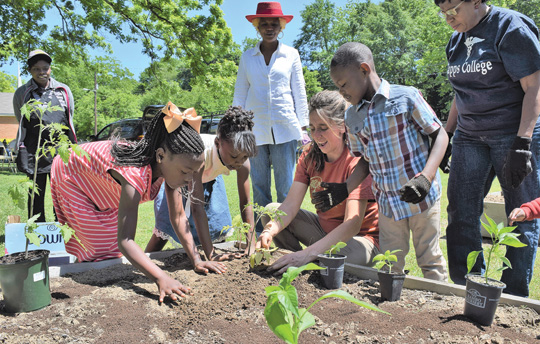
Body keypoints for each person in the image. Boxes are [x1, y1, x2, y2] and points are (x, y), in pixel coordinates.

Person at [50, 102, 226, 302]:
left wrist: (196, 259)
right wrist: (161, 277)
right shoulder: (135, 176)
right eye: (186, 172)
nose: (191, 179)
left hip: (103, 183)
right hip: (72, 175)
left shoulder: (170, 171)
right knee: (100, 248)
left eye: (196, 172)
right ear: (160, 156)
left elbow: (178, 216)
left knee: (110, 251)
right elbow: (126, 240)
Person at [313, 42, 448, 281]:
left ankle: (437, 308)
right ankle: (393, 311)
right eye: (337, 87)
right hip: (388, 204)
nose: (341, 92)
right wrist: (346, 188)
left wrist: (426, 178)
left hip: (422, 199)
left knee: (429, 259)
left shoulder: (405, 97)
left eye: (344, 85)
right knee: (389, 264)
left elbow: (440, 135)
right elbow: (365, 160)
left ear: (364, 69)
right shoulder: (351, 115)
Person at [435, 0, 540, 297]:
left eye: (453, 10)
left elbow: (535, 86)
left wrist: (523, 144)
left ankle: (512, 296)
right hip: (470, 137)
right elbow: (461, 93)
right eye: (442, 13)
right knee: (460, 212)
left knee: (520, 216)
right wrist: (448, 135)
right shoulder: (456, 41)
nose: (448, 19)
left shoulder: (510, 28)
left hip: (513, 133)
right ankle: (467, 287)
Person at [256, 90, 379, 274]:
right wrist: (268, 231)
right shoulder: (309, 156)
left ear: (342, 126)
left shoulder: (356, 161)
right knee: (271, 212)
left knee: (334, 260)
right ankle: (297, 261)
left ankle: (305, 260)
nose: (316, 135)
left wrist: (308, 253)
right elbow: (289, 205)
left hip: (360, 240)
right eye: (312, 128)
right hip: (324, 233)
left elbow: (352, 225)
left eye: (323, 127)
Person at [233, 2, 309, 231]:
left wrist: (304, 127)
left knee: (286, 187)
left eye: (273, 23)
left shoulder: (291, 55)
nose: (269, 27)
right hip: (255, 131)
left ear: (281, 26)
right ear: (256, 27)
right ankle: (261, 233)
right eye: (264, 23)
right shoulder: (248, 57)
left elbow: (299, 91)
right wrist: (237, 127)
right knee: (259, 186)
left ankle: (287, 233)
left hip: (285, 128)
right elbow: (241, 92)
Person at [145, 105, 257, 258]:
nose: (238, 163)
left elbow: (246, 203)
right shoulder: (200, 156)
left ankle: (204, 249)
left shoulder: (242, 162)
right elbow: (197, 208)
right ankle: (144, 259)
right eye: (234, 156)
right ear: (218, 143)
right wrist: (211, 255)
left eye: (244, 157)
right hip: (182, 175)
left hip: (210, 179)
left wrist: (251, 243)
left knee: (215, 227)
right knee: (165, 229)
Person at [13, 49, 77, 222]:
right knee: (35, 194)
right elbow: (22, 120)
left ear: (50, 68)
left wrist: (71, 147)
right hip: (35, 150)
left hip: (60, 151)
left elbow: (69, 118)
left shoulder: (63, 90)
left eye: (45, 68)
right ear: (30, 71)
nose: (42, 72)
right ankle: (37, 229)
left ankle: (62, 228)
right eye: (36, 69)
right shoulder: (22, 93)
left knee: (62, 195)